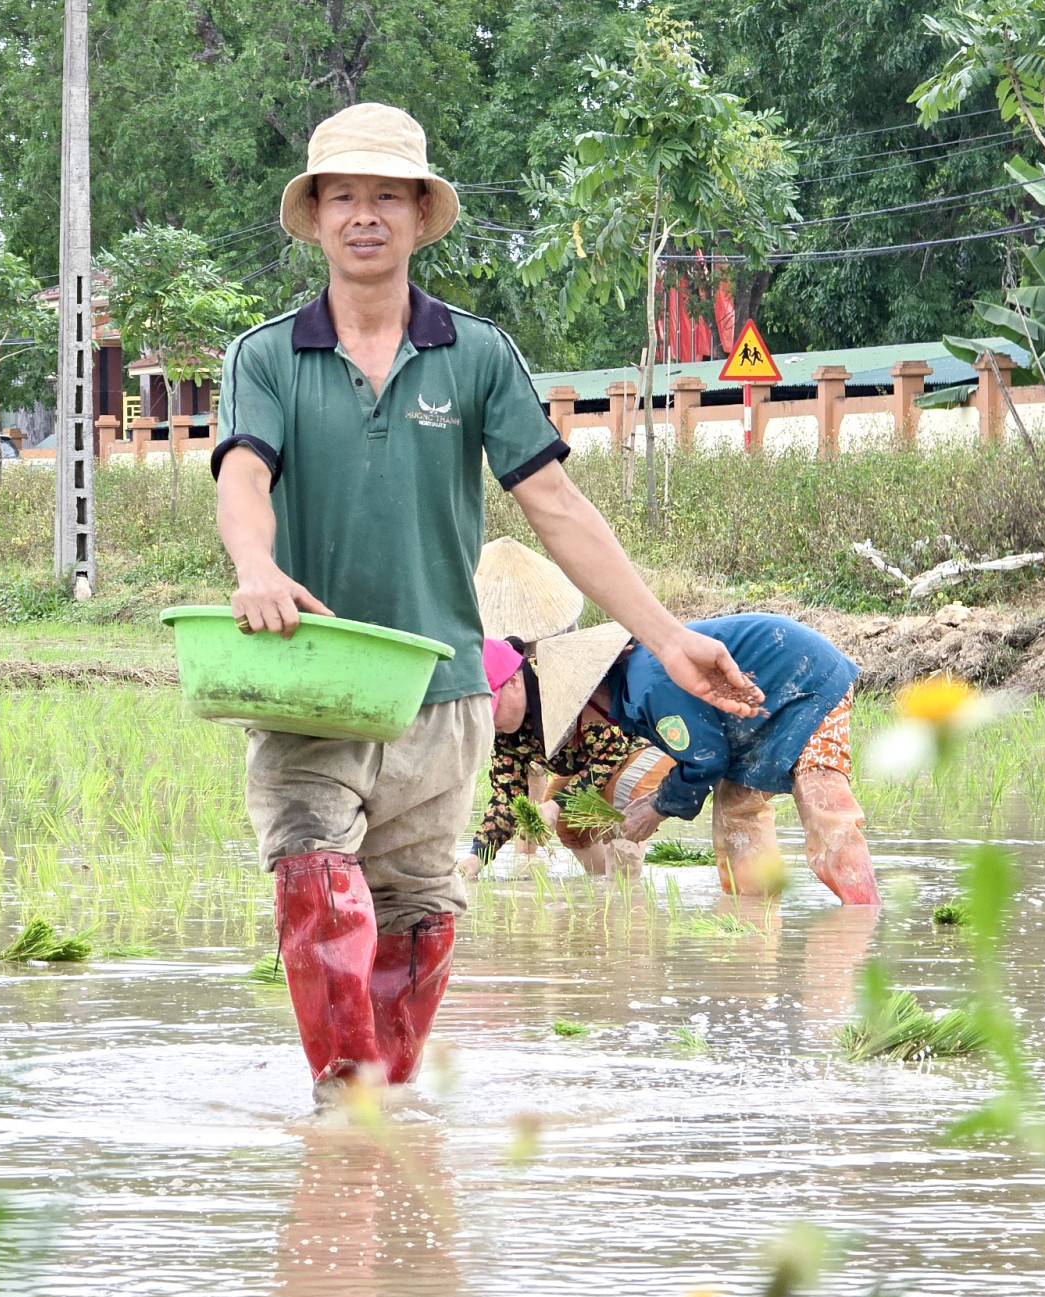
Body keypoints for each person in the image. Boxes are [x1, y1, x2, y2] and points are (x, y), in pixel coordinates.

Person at [212, 101, 764, 1102]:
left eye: (388, 195)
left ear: (421, 216)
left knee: (420, 916)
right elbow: (242, 474)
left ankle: (382, 1122)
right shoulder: (264, 356)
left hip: (441, 685)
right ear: (316, 216)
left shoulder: (473, 355)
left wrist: (667, 636)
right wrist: (253, 565)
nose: (365, 215)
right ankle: (345, 1112)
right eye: (344, 196)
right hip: (307, 675)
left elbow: (554, 505)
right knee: (315, 881)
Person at [513, 616, 879, 906]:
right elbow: (702, 750)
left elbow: (706, 760)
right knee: (736, 818)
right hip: (752, 710)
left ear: (587, 702)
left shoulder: (649, 687)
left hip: (808, 677)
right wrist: (659, 800)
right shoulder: (632, 692)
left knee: (822, 802)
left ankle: (863, 918)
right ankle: (752, 921)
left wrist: (657, 807)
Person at [463, 636, 654, 879]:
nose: (489, 722)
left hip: (641, 745)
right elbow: (507, 797)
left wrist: (556, 805)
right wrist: (476, 856)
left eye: (492, 709)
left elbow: (612, 752)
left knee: (618, 796)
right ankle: (604, 893)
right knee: (568, 822)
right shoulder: (503, 732)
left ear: (513, 683)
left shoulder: (556, 684)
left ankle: (628, 896)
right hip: (588, 763)